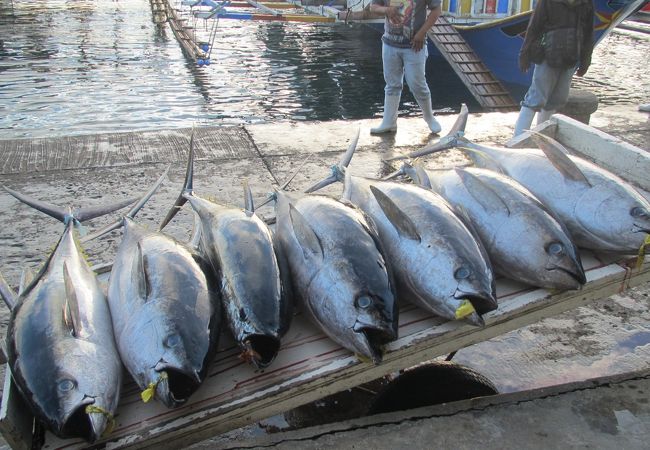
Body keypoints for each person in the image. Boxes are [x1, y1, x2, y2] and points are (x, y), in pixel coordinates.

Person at [513, 0, 594, 138]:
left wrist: (586, 60)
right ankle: (517, 139)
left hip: (570, 57)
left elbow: (588, 34)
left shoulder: (586, 3)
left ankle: (542, 137)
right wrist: (524, 54)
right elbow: (534, 27)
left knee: (557, 100)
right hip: (547, 56)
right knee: (535, 98)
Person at [368, 0, 442, 135]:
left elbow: (436, 10)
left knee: (417, 83)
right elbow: (373, 6)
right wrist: (386, 10)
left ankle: (429, 117)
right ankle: (389, 122)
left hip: (415, 45)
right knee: (392, 84)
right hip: (389, 43)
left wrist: (422, 33)